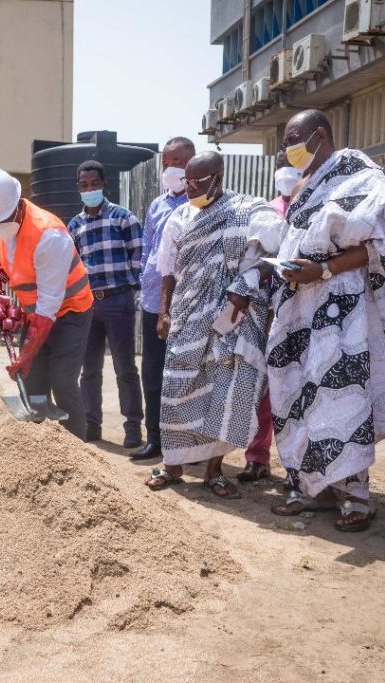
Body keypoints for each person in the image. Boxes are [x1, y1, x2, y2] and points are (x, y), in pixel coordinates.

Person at [268, 110, 385, 532]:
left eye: (293, 138)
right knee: (300, 395)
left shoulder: (364, 178)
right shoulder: (309, 187)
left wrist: (323, 270)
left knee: (342, 396)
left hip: (341, 306)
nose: (288, 148)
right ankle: (315, 488)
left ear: (320, 135)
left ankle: (356, 496)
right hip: (299, 307)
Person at [143, 152, 285, 495]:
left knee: (223, 395)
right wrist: (163, 312)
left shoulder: (247, 209)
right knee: (176, 391)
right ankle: (172, 465)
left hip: (230, 321)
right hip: (187, 317)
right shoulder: (180, 215)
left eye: (198, 182)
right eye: (187, 182)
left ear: (217, 178)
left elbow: (276, 246)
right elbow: (167, 269)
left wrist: (248, 284)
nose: (190, 188)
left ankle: (214, 471)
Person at [0, 169, 94, 439]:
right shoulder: (6, 223)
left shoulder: (50, 236)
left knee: (62, 380)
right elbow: (17, 261)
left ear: (17, 205)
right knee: (32, 381)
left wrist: (25, 356)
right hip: (37, 314)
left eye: (1, 219)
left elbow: (48, 307)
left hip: (70, 312)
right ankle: (38, 446)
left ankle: (77, 450)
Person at [236, 150, 301, 483]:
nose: (287, 173)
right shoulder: (265, 211)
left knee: (297, 389)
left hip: (305, 311)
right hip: (267, 311)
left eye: (293, 167)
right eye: (281, 167)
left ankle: (297, 465)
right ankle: (257, 457)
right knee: (262, 388)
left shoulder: (314, 205)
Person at [68, 160, 143, 445]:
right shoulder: (75, 225)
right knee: (89, 369)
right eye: (84, 186)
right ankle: (91, 423)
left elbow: (139, 257)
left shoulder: (123, 217)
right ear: (79, 188)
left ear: (104, 184)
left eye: (95, 184)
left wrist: (132, 290)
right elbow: (72, 264)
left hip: (118, 301)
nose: (90, 190)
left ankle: (133, 426)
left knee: (124, 367)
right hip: (87, 304)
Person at [132, 137, 195, 460]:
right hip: (154, 304)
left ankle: (186, 444)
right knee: (152, 374)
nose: (172, 169)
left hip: (187, 306)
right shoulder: (157, 205)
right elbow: (147, 250)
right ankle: (154, 439)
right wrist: (145, 284)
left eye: (179, 163)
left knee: (186, 376)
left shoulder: (199, 206)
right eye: (167, 163)